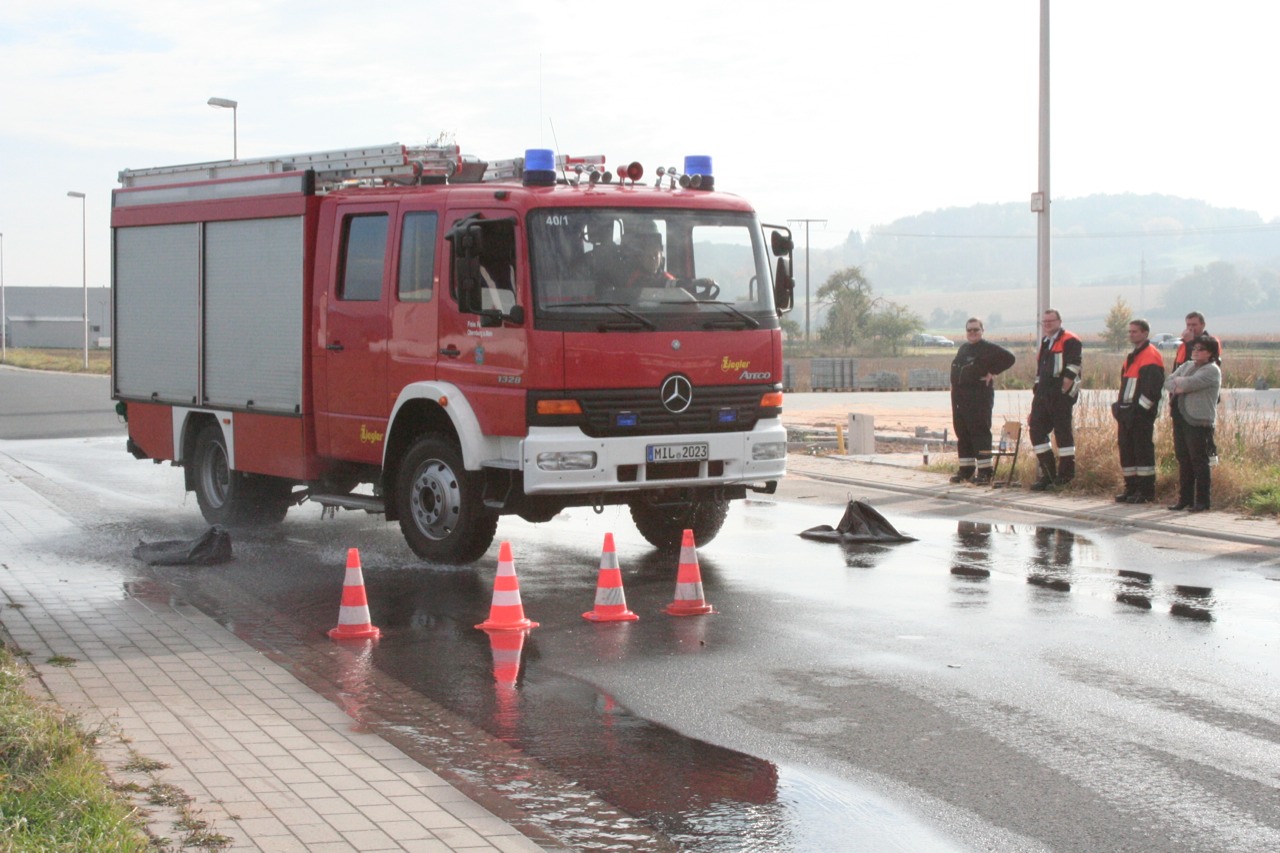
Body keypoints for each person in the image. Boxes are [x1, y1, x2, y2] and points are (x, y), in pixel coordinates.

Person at [949, 318, 1016, 484]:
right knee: (963, 433)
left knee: (979, 433)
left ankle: (985, 472)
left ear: (982, 331)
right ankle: (966, 470)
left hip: (978, 398)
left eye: (976, 330)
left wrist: (992, 372)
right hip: (960, 399)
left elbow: (1009, 358)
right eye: (969, 330)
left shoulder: (988, 348)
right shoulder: (964, 348)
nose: (972, 333)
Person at [1164, 335, 1222, 513]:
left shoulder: (1212, 370)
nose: (1196, 352)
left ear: (1210, 353)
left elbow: (1191, 384)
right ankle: (1185, 499)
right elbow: (1168, 382)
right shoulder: (1187, 365)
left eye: (1200, 349)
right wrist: (1179, 384)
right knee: (1184, 459)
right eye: (1194, 348)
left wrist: (1181, 383)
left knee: (1199, 461)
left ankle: (1202, 501)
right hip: (1180, 418)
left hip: (1198, 421)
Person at [1111, 319, 1165, 503]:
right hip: (1126, 413)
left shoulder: (1151, 356)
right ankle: (1131, 488)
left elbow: (1152, 391)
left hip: (1140, 415)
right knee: (1127, 452)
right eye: (1130, 331)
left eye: (1135, 331)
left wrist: (1139, 411)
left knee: (1142, 452)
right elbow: (1125, 386)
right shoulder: (1133, 356)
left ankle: (1146, 491)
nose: (1131, 334)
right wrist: (1119, 408)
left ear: (1145, 333)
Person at [1029, 309, 1082, 491]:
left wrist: (1062, 391)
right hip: (1043, 394)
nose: (1047, 324)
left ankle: (1066, 476)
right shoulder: (1046, 341)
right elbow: (1040, 371)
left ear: (1059, 321)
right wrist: (1037, 390)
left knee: (1062, 434)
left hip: (1060, 396)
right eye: (1044, 321)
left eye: (1051, 321)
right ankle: (1048, 474)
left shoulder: (1070, 339)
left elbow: (1074, 366)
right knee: (1036, 430)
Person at [1172, 311, 1222, 464]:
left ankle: (1208, 471)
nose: (1190, 328)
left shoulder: (1211, 342)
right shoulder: (1183, 345)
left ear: (1203, 325)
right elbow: (1177, 370)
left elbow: (1202, 366)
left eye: (1194, 324)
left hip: (1200, 401)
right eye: (1188, 325)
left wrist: (1190, 343)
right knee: (1183, 450)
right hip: (1180, 399)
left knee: (1201, 449)